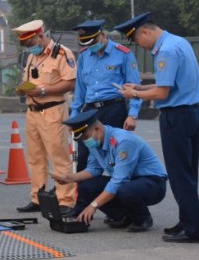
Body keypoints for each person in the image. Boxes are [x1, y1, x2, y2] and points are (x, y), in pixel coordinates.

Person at [115, 12, 199, 244]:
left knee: (179, 175)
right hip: (192, 113)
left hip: (177, 116)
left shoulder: (164, 51)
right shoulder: (178, 42)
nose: (140, 46)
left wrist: (133, 93)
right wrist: (139, 85)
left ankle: (194, 229)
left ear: (145, 32)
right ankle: (187, 222)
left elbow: (163, 93)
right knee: (188, 172)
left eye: (137, 41)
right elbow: (167, 84)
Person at [53, 109, 168, 232]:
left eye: (85, 137)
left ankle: (143, 219)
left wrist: (93, 205)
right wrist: (70, 178)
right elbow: (94, 169)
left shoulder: (123, 141)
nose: (85, 141)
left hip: (153, 184)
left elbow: (119, 181)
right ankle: (124, 216)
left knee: (124, 189)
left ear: (96, 129)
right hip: (129, 182)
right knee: (88, 186)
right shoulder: (95, 142)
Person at [12, 20, 77, 215]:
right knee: (36, 157)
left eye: (31, 44)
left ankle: (66, 199)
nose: (30, 48)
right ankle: (37, 198)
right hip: (33, 112)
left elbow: (70, 83)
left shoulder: (62, 54)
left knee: (59, 156)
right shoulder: (33, 57)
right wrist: (23, 90)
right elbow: (28, 80)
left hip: (52, 110)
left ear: (40, 36)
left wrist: (43, 90)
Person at [68, 19, 142, 172]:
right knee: (83, 157)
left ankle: (115, 193)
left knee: (115, 156)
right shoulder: (84, 56)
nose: (90, 46)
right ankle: (85, 194)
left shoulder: (123, 54)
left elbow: (135, 87)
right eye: (86, 43)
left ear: (101, 35)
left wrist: (132, 115)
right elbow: (80, 90)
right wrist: (75, 115)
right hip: (89, 113)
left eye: (92, 41)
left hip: (113, 109)